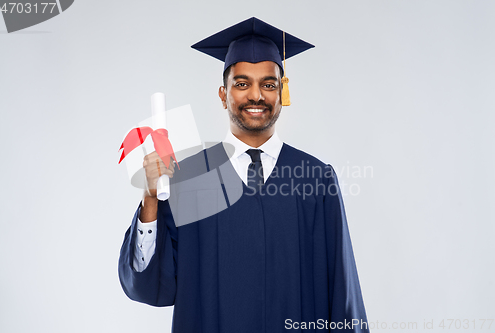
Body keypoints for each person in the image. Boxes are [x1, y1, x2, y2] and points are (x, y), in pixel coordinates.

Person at [119, 17, 370, 333]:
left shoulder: (316, 180)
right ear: (223, 95)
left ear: (281, 93)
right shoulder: (188, 179)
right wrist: (151, 198)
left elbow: (343, 293)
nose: (256, 96)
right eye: (242, 84)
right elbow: (151, 285)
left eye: (268, 84)